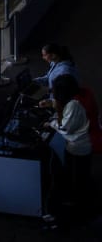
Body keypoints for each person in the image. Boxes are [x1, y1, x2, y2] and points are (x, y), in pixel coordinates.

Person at [44, 74, 92, 228]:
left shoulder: (73, 106)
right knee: (76, 177)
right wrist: (52, 104)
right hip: (77, 146)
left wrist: (51, 122)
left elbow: (64, 127)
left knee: (77, 178)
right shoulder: (75, 101)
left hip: (78, 148)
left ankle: (77, 212)